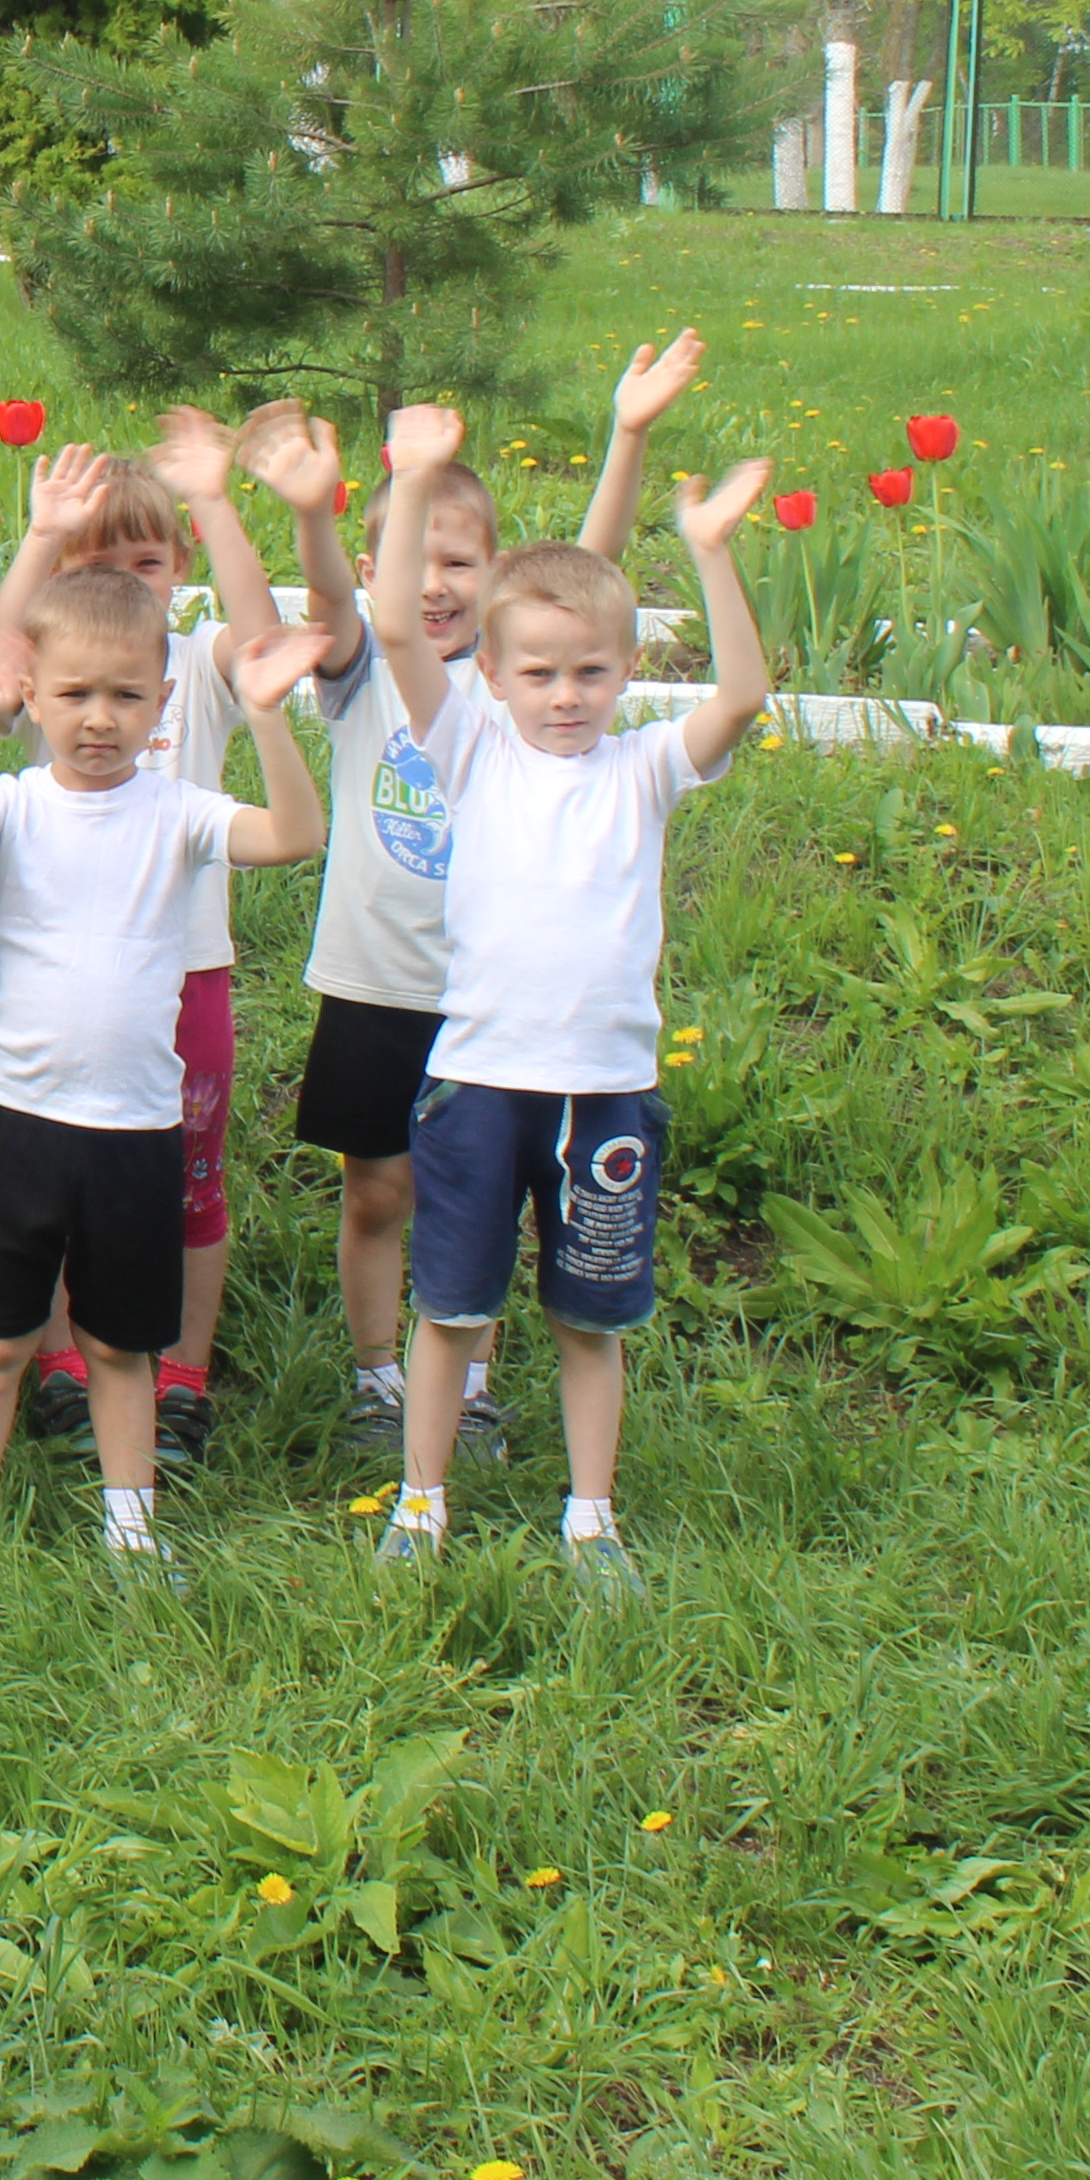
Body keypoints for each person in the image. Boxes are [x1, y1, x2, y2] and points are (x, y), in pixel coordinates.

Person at [363, 402, 776, 1596]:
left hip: (606, 1095)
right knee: (452, 1310)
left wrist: (709, 549)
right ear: (490, 675)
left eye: (592, 671)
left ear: (627, 671)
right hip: (482, 1084)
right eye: (538, 673)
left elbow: (743, 695)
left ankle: (591, 1522)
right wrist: (414, 476)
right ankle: (421, 1504)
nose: (565, 695)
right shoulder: (470, 749)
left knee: (590, 1320)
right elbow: (394, 624)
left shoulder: (643, 768)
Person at [275, 337, 697, 1464]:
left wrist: (629, 433)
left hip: (503, 1006)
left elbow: (593, 568)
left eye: (462, 563)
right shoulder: (373, 669)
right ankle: (378, 1375)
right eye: (413, 561)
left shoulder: (527, 679)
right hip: (380, 978)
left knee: (480, 1198)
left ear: (499, 574)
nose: (435, 585)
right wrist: (339, 508)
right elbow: (339, 596)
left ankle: (470, 1391)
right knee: (378, 1193)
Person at [0, 570, 323, 1575]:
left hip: (137, 1129)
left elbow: (297, 837)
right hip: (21, 1123)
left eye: (126, 695)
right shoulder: (12, 806)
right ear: (32, 698)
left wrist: (266, 715)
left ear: (162, 703)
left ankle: (132, 1535)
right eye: (74, 693)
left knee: (123, 1347)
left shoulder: (180, 813)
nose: (99, 718)